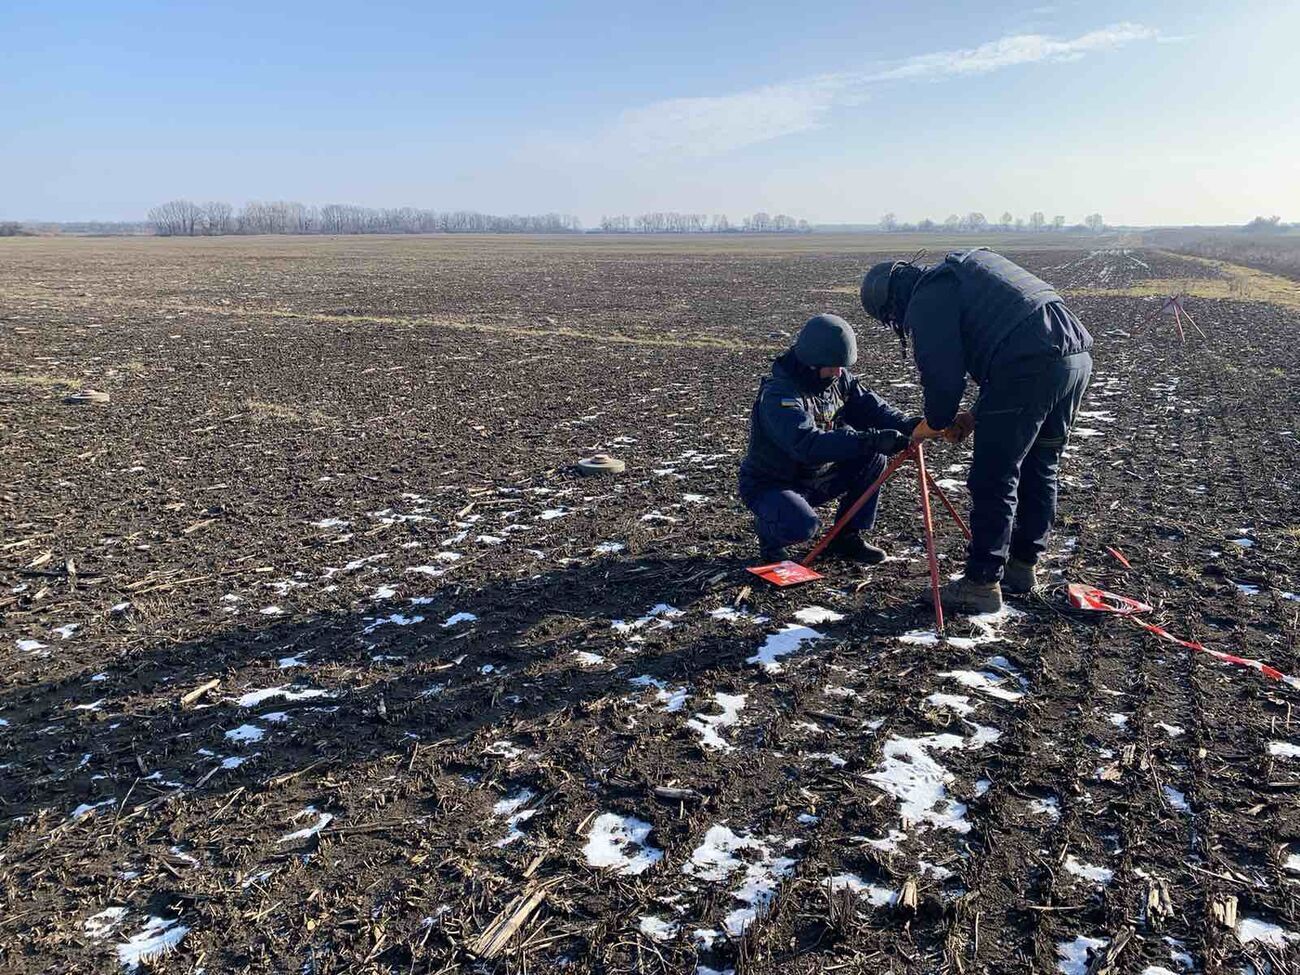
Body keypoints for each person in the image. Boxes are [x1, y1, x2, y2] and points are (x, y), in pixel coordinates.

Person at [859, 247, 1093, 613]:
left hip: (1030, 365)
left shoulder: (927, 297)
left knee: (994, 476)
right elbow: (1015, 336)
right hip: (1073, 359)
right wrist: (973, 416)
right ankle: (1022, 567)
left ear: (892, 303)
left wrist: (934, 423)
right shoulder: (965, 273)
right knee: (1040, 465)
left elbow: (944, 376)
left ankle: (982, 583)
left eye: (891, 318)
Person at [738, 313, 920, 564]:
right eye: (833, 365)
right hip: (773, 483)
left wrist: (910, 425)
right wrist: (871, 440)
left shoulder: (838, 377)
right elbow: (807, 444)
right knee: (802, 526)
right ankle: (770, 534)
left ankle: (846, 537)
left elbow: (871, 408)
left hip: (816, 478)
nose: (838, 371)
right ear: (812, 361)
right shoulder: (780, 394)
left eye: (841, 365)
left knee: (873, 459)